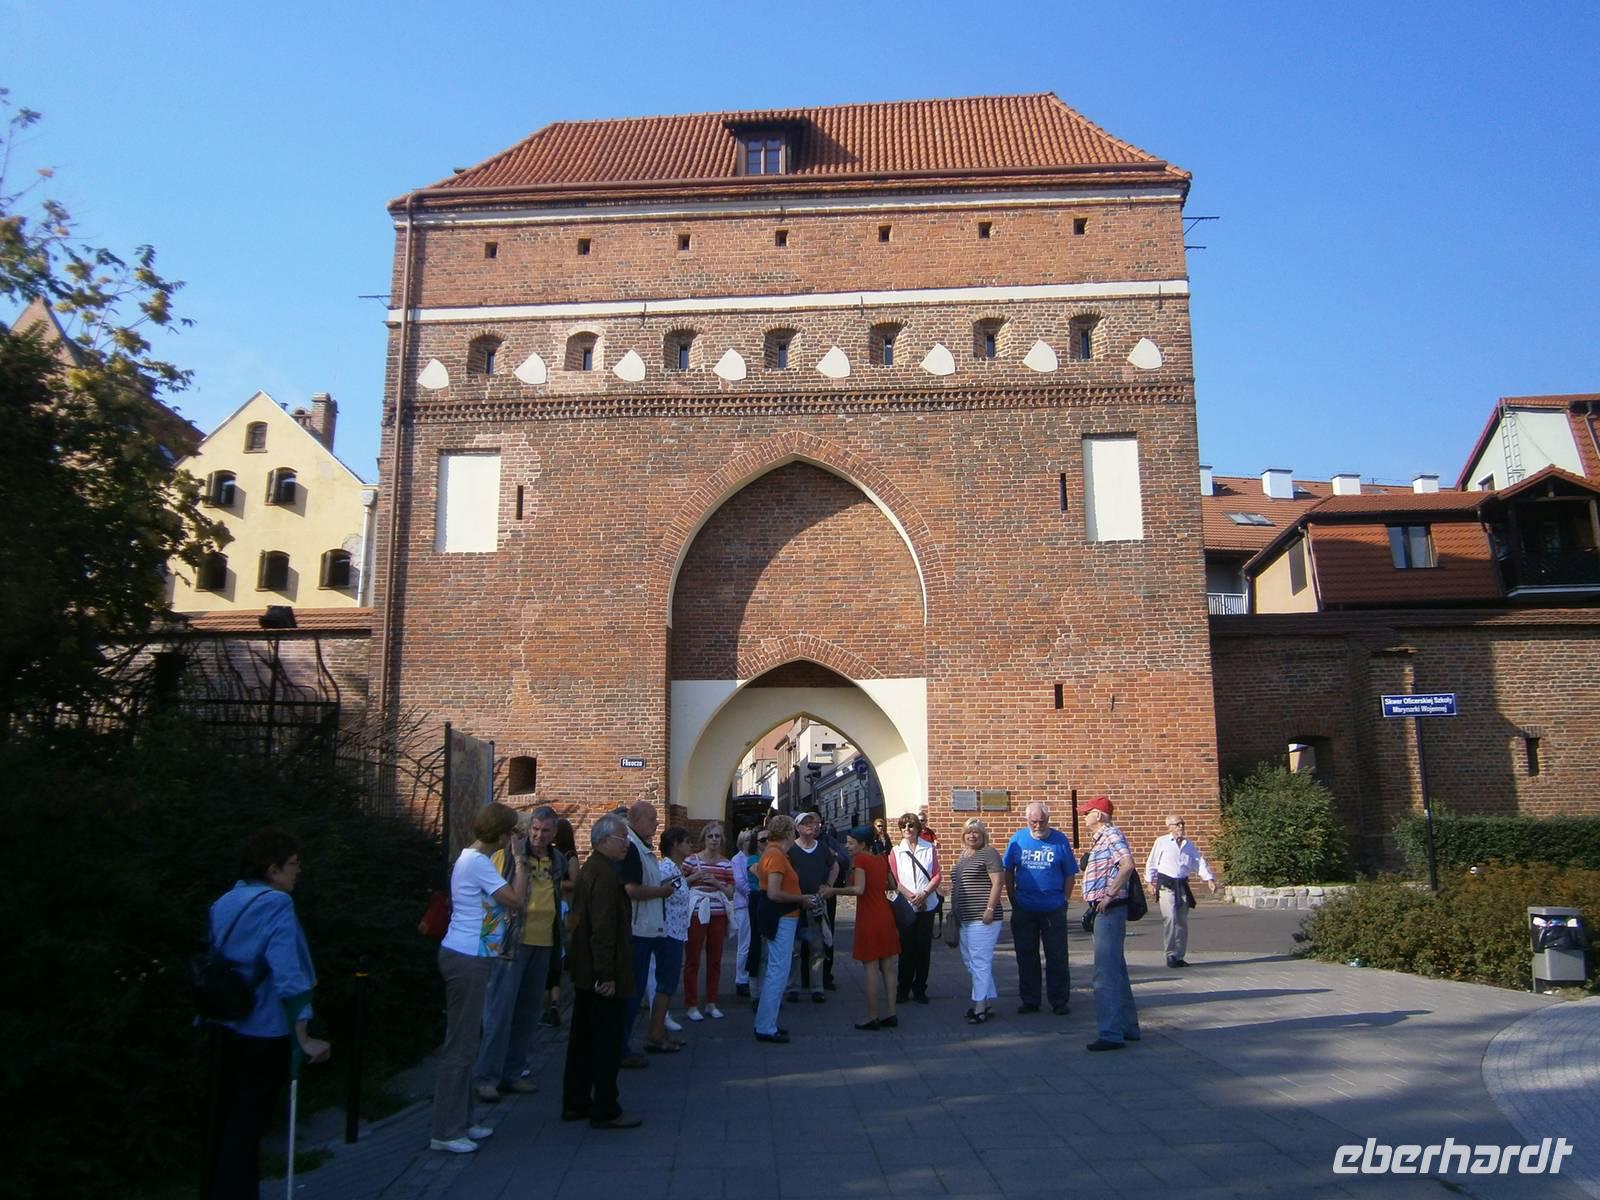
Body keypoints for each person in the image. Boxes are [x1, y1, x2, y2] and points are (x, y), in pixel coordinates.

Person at [202, 828, 331, 1199]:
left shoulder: (225, 901)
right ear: (273, 870)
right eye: (293, 864)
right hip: (265, 1027)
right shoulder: (276, 904)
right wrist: (303, 1036)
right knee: (249, 1127)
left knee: (226, 1121)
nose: (299, 871)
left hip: (225, 1022)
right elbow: (288, 973)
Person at [431, 803, 527, 1153]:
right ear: (502, 835)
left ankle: (464, 1121)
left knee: (468, 1042)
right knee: (459, 1047)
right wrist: (520, 861)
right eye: (511, 833)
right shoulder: (478, 863)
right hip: (466, 956)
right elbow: (515, 900)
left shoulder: (470, 860)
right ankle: (446, 1130)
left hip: (472, 954)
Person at [474, 807, 566, 1101]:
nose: (539, 836)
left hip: (544, 941)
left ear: (555, 833)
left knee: (527, 1012)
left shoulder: (557, 860)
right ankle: (487, 1077)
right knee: (499, 1011)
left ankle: (513, 1073)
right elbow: (492, 897)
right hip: (512, 942)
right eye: (536, 829)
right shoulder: (510, 855)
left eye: (546, 831)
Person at [562, 815, 642, 1129]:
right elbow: (603, 930)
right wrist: (606, 975)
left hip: (585, 971)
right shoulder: (606, 877)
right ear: (604, 840)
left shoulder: (592, 870)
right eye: (623, 838)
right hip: (601, 973)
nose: (626, 844)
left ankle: (576, 1101)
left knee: (582, 1039)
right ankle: (606, 1107)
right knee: (605, 1042)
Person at [1001, 801, 1077, 1016]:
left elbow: (1069, 873)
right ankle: (1030, 1000)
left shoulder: (1059, 840)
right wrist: (1012, 897)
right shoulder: (1018, 839)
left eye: (1041, 821)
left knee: (1057, 956)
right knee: (1026, 955)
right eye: (1033, 822)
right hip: (1024, 907)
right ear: (1027, 821)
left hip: (1053, 907)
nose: (1037, 825)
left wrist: (1064, 900)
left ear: (1048, 820)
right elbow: (1008, 869)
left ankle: (1059, 1000)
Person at [820, 825, 900, 1030]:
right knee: (888, 968)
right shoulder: (881, 858)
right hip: (885, 915)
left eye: (851, 843)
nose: (847, 846)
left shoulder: (861, 860)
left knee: (871, 967)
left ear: (863, 844)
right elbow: (892, 885)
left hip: (870, 916)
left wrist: (833, 890)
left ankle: (872, 1015)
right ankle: (891, 1013)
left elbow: (858, 889)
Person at [617, 800, 675, 1068]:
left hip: (649, 927)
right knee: (632, 990)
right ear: (637, 820)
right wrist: (661, 892)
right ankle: (621, 1047)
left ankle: (625, 1043)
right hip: (638, 930)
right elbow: (631, 889)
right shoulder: (631, 849)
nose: (656, 825)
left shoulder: (640, 847)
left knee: (637, 988)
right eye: (652, 820)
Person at [1080, 796, 1140, 1051]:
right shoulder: (1100, 840)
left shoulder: (1112, 835)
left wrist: (1109, 894)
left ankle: (1110, 1033)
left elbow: (1127, 865)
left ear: (1099, 815)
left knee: (1104, 973)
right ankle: (1128, 1027)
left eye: (1087, 813)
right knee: (1117, 968)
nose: (1083, 817)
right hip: (1103, 910)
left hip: (1110, 910)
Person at [946, 817, 1005, 1024]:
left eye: (976, 832)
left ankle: (979, 1006)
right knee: (971, 961)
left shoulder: (989, 853)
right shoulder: (963, 856)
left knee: (980, 961)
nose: (972, 835)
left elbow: (997, 883)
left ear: (983, 835)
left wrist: (989, 909)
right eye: (968, 832)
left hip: (983, 917)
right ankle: (987, 1001)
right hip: (965, 917)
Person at [644, 826, 696, 1051]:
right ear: (675, 844)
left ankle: (659, 1032)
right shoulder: (665, 868)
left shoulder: (676, 868)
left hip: (676, 932)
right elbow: (656, 895)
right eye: (686, 841)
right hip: (668, 933)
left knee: (668, 984)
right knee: (666, 984)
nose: (690, 846)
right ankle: (655, 1035)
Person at [753, 814, 804, 1043]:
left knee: (777, 970)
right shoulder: (775, 855)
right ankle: (766, 1027)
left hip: (782, 916)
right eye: (794, 830)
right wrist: (801, 898)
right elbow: (773, 892)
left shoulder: (773, 853)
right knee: (777, 971)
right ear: (788, 832)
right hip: (782, 917)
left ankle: (766, 1023)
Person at [1144, 814, 1218, 968]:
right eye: (1177, 824)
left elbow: (1198, 862)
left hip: (1182, 885)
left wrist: (1209, 879)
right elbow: (1151, 862)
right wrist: (1149, 881)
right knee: (1170, 918)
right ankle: (1170, 954)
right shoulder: (1162, 842)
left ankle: (1179, 955)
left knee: (1182, 922)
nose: (1181, 827)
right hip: (1166, 885)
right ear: (1169, 827)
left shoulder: (1188, 844)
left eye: (1182, 824)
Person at [683, 823, 735, 1020]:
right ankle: (691, 1003)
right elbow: (677, 883)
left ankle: (711, 1002)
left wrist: (716, 884)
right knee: (693, 959)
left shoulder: (726, 864)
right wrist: (695, 877)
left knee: (715, 960)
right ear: (704, 839)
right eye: (711, 836)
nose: (714, 840)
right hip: (696, 913)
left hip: (718, 913)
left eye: (718, 837)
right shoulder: (691, 861)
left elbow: (731, 892)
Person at [888, 813, 941, 1004]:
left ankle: (920, 988)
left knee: (923, 948)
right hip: (907, 906)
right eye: (903, 827)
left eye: (911, 826)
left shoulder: (929, 848)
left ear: (918, 828)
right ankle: (903, 988)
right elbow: (894, 880)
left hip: (927, 903)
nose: (907, 830)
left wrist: (924, 894)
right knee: (906, 948)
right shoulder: (896, 851)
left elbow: (936, 875)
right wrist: (912, 896)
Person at [787, 812, 839, 1003]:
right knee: (795, 948)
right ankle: (794, 987)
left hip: (816, 902)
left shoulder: (822, 848)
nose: (810, 825)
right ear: (797, 828)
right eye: (805, 823)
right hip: (796, 902)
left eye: (812, 822)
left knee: (817, 947)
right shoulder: (790, 850)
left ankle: (817, 987)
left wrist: (828, 885)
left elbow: (835, 866)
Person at [543, 816, 580, 1027]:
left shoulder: (569, 856)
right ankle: (550, 1005)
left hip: (565, 908)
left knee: (558, 952)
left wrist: (554, 882)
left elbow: (575, 883)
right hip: (553, 908)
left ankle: (553, 1005)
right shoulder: (551, 855)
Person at [729, 829, 756, 998]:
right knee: (744, 943)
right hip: (744, 905)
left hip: (755, 904)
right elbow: (738, 881)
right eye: (745, 840)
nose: (748, 842)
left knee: (755, 942)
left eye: (750, 840)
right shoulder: (737, 860)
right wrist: (752, 893)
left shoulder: (755, 857)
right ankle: (741, 979)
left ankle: (752, 976)